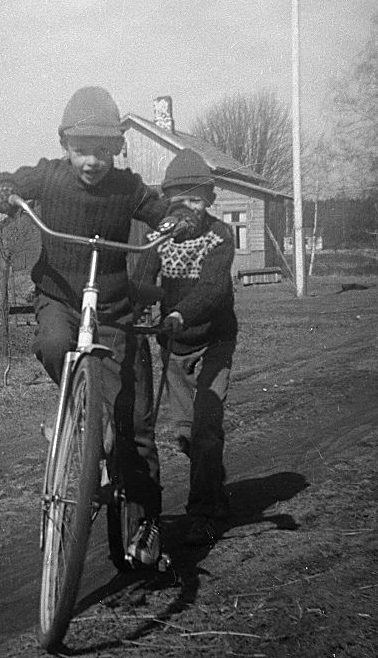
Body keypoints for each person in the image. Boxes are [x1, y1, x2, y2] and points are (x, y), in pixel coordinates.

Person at [0, 86, 194, 568]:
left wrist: (180, 216)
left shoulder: (127, 188)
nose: (92, 162)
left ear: (116, 150)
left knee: (135, 424)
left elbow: (161, 210)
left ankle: (148, 524)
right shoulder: (47, 177)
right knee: (52, 343)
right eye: (81, 150)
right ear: (64, 146)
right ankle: (79, 416)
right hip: (60, 298)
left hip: (114, 309)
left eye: (103, 151)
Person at [141, 148, 238, 547]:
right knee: (185, 434)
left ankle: (204, 513)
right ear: (168, 201)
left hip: (214, 340)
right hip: (174, 345)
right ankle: (212, 480)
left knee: (206, 429)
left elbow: (213, 289)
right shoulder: (157, 238)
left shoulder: (220, 235)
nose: (188, 208)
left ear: (209, 201)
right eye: (180, 200)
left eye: (197, 199)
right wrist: (137, 306)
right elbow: (143, 279)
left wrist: (180, 312)